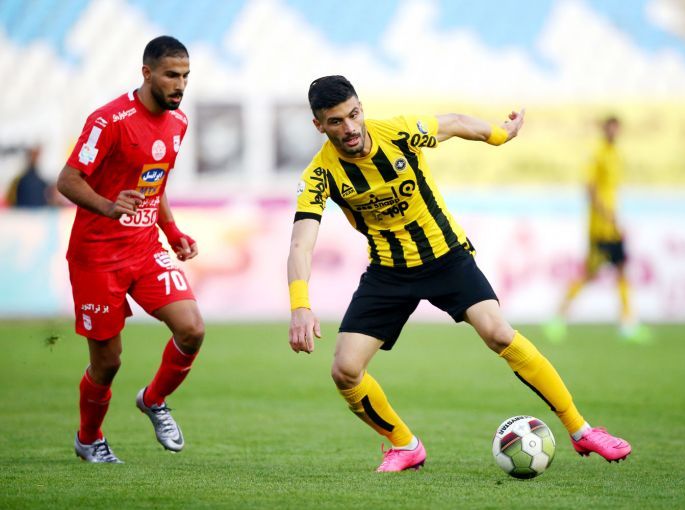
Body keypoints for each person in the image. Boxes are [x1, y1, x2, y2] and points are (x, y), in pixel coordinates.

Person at [287, 76, 632, 472]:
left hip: (446, 256)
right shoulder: (320, 175)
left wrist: (500, 134)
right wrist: (300, 306)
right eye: (336, 121)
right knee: (345, 371)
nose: (349, 128)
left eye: (353, 114)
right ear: (319, 125)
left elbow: (453, 123)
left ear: (361, 107)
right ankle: (405, 445)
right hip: (389, 271)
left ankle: (581, 429)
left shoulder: (398, 133)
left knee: (499, 333)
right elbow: (300, 244)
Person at [57, 36, 204, 463]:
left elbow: (154, 182)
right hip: (97, 257)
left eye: (185, 76)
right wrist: (108, 206)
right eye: (171, 75)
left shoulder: (178, 123)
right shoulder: (109, 120)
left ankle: (154, 400)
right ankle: (89, 439)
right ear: (147, 73)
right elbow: (67, 180)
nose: (180, 85)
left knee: (192, 328)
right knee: (108, 363)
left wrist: (171, 231)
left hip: (144, 248)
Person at [545, 116, 648, 343]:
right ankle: (558, 318)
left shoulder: (616, 154)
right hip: (600, 228)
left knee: (621, 270)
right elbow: (590, 189)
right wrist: (607, 215)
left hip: (612, 227)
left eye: (616, 129)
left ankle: (627, 324)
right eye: (610, 128)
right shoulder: (598, 153)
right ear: (604, 129)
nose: (614, 132)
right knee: (589, 274)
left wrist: (615, 219)